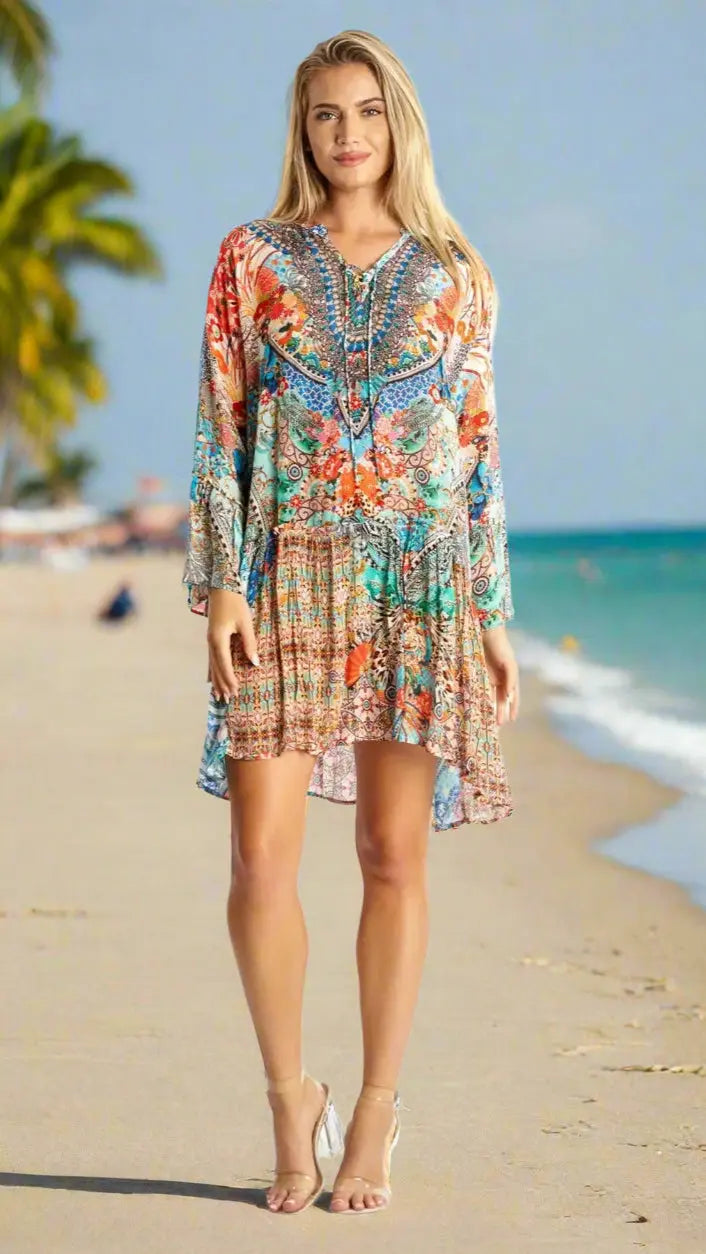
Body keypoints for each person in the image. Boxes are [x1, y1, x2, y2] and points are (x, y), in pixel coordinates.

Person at [182, 28, 520, 1216]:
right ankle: (292, 1102)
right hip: (288, 580)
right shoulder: (250, 259)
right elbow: (221, 426)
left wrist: (488, 615)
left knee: (391, 853)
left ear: (399, 123)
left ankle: (375, 1115)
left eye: (366, 111)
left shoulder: (453, 269)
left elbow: (475, 456)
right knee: (259, 857)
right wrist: (224, 579)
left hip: (421, 584)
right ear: (301, 128)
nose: (346, 135)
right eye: (325, 115)